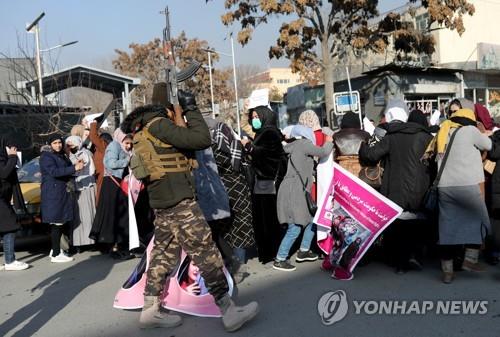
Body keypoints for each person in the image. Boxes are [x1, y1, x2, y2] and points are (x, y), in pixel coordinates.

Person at [121, 85, 258, 332]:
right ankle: (228, 311)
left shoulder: (144, 128)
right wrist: (191, 108)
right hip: (179, 203)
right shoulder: (159, 124)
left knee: (162, 255)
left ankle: (150, 310)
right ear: (166, 108)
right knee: (206, 252)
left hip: (163, 203)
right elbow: (201, 139)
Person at [359, 99, 433, 274]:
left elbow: (371, 156)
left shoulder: (392, 137)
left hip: (394, 188)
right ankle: (414, 255)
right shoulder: (427, 137)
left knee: (397, 224)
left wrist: (364, 144)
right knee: (416, 222)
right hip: (419, 189)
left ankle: (399, 262)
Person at [425, 108, 492, 283]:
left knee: (447, 228)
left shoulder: (443, 130)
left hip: (445, 187)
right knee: (480, 220)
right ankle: (470, 260)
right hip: (467, 185)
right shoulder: (470, 131)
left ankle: (447, 271)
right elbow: (489, 145)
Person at [274, 125, 334, 271]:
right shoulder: (304, 144)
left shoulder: (291, 146)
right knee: (294, 226)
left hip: (291, 188)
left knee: (312, 220)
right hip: (295, 191)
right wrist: (329, 140)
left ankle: (304, 250)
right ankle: (280, 259)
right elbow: (323, 151)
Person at [242, 105, 287, 264]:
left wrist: (248, 147)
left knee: (268, 219)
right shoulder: (264, 132)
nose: (254, 120)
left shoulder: (269, 133)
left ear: (264, 117)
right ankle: (268, 251)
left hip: (267, 183)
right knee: (264, 219)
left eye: (257, 117)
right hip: (263, 183)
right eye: (253, 117)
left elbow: (267, 156)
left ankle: (272, 252)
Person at [211, 121, 255, 279]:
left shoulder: (214, 148)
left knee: (226, 226)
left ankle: (230, 263)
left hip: (222, 189)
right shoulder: (236, 144)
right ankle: (240, 261)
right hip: (240, 189)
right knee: (241, 225)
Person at [89, 129, 132, 260]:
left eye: (131, 143)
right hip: (112, 184)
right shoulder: (114, 146)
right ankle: (114, 247)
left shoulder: (124, 149)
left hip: (121, 184)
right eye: (127, 143)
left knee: (122, 216)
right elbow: (110, 164)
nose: (129, 146)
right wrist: (127, 161)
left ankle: (121, 245)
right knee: (113, 216)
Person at [40, 135, 83, 263]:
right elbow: (54, 172)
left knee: (59, 222)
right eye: (55, 143)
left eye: (59, 142)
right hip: (53, 193)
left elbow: (66, 169)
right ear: (50, 144)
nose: (58, 145)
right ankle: (56, 254)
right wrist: (73, 168)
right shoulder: (46, 156)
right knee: (56, 223)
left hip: (61, 192)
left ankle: (55, 250)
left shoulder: (61, 155)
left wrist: (75, 165)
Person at [0, 137, 29, 271]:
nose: (13, 150)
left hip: (3, 199)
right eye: (11, 148)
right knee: (10, 227)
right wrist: (12, 157)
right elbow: (4, 174)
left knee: (6, 227)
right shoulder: (3, 159)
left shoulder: (6, 158)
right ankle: (10, 261)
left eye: (15, 148)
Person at [65, 136, 96, 250]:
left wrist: (70, 155)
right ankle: (78, 242)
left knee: (87, 214)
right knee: (77, 216)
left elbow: (79, 165)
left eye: (71, 145)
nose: (69, 147)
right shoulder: (69, 155)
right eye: (67, 145)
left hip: (85, 186)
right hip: (75, 187)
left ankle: (89, 240)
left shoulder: (84, 153)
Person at [333, 111, 370, 176]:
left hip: (343, 168)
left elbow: (333, 155)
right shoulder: (365, 135)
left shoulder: (336, 136)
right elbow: (370, 153)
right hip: (361, 168)